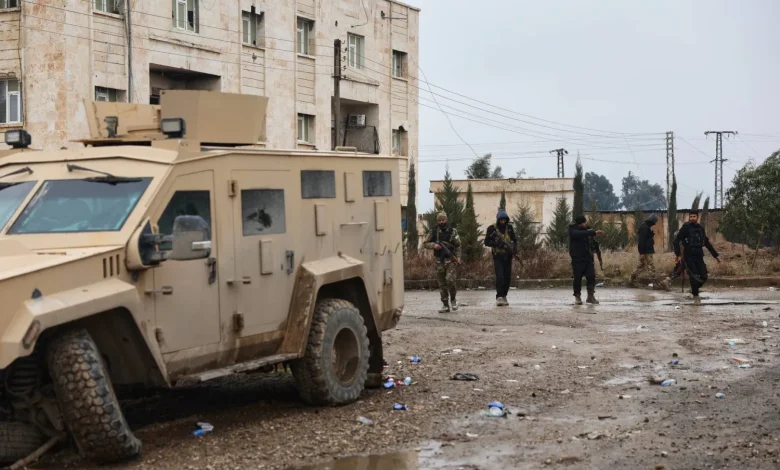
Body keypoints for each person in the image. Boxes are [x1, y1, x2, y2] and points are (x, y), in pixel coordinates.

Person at [673, 210, 720, 305]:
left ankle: (694, 289)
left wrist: (716, 256)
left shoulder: (700, 228)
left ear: (697, 217)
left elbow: (706, 243)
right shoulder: (686, 228)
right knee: (694, 276)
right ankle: (696, 296)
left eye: (694, 216)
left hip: (699, 255)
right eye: (691, 217)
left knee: (704, 276)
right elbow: (676, 241)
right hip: (688, 256)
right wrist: (678, 255)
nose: (692, 218)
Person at [423, 212, 461, 313]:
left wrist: (458, 257)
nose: (441, 222)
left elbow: (458, 245)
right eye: (439, 220)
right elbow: (425, 243)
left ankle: (453, 299)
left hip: (450, 260)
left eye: (443, 220)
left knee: (450, 280)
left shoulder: (453, 231)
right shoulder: (433, 232)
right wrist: (433, 245)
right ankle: (445, 304)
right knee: (442, 284)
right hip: (439, 261)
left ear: (446, 220)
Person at [484, 208, 518, 306]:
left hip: (508, 256)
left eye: (504, 220)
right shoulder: (492, 228)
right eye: (501, 220)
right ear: (498, 220)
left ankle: (504, 296)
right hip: (497, 256)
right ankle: (499, 297)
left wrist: (515, 251)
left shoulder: (509, 228)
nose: (502, 221)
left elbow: (515, 240)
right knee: (500, 277)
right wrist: (498, 244)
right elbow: (486, 242)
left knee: (507, 277)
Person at [568, 215, 604, 305]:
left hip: (588, 258)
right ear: (580, 223)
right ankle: (577, 296)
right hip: (577, 258)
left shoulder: (588, 230)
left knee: (591, 276)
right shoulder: (572, 229)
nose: (586, 223)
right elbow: (576, 234)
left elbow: (593, 243)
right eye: (584, 222)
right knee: (577, 278)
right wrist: (592, 232)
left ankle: (590, 296)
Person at [629, 214, 671, 291]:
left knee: (641, 266)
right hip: (646, 251)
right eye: (654, 222)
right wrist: (642, 253)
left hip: (647, 250)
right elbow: (641, 241)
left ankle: (632, 280)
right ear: (652, 221)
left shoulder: (646, 227)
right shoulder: (644, 227)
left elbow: (646, 239)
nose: (654, 224)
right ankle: (654, 283)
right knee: (651, 267)